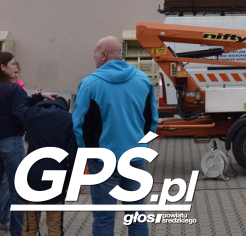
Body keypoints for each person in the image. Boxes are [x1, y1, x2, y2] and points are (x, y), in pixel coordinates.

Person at [72, 36, 158, 236]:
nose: (93, 57)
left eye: (94, 53)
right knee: (137, 214)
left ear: (103, 55)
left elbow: (79, 125)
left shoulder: (89, 84)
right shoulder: (143, 80)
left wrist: (87, 155)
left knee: (103, 218)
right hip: (135, 159)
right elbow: (152, 121)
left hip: (103, 161)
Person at [17, 92, 77, 236]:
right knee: (54, 226)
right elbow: (74, 155)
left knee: (29, 226)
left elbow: (21, 106)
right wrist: (68, 180)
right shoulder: (69, 120)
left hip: (31, 176)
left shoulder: (32, 115)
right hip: (56, 177)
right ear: (65, 107)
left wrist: (38, 95)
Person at [0, 53, 26, 236]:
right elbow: (20, 115)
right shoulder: (15, 90)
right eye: (12, 64)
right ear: (2, 67)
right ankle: (17, 232)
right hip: (12, 142)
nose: (15, 67)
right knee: (17, 190)